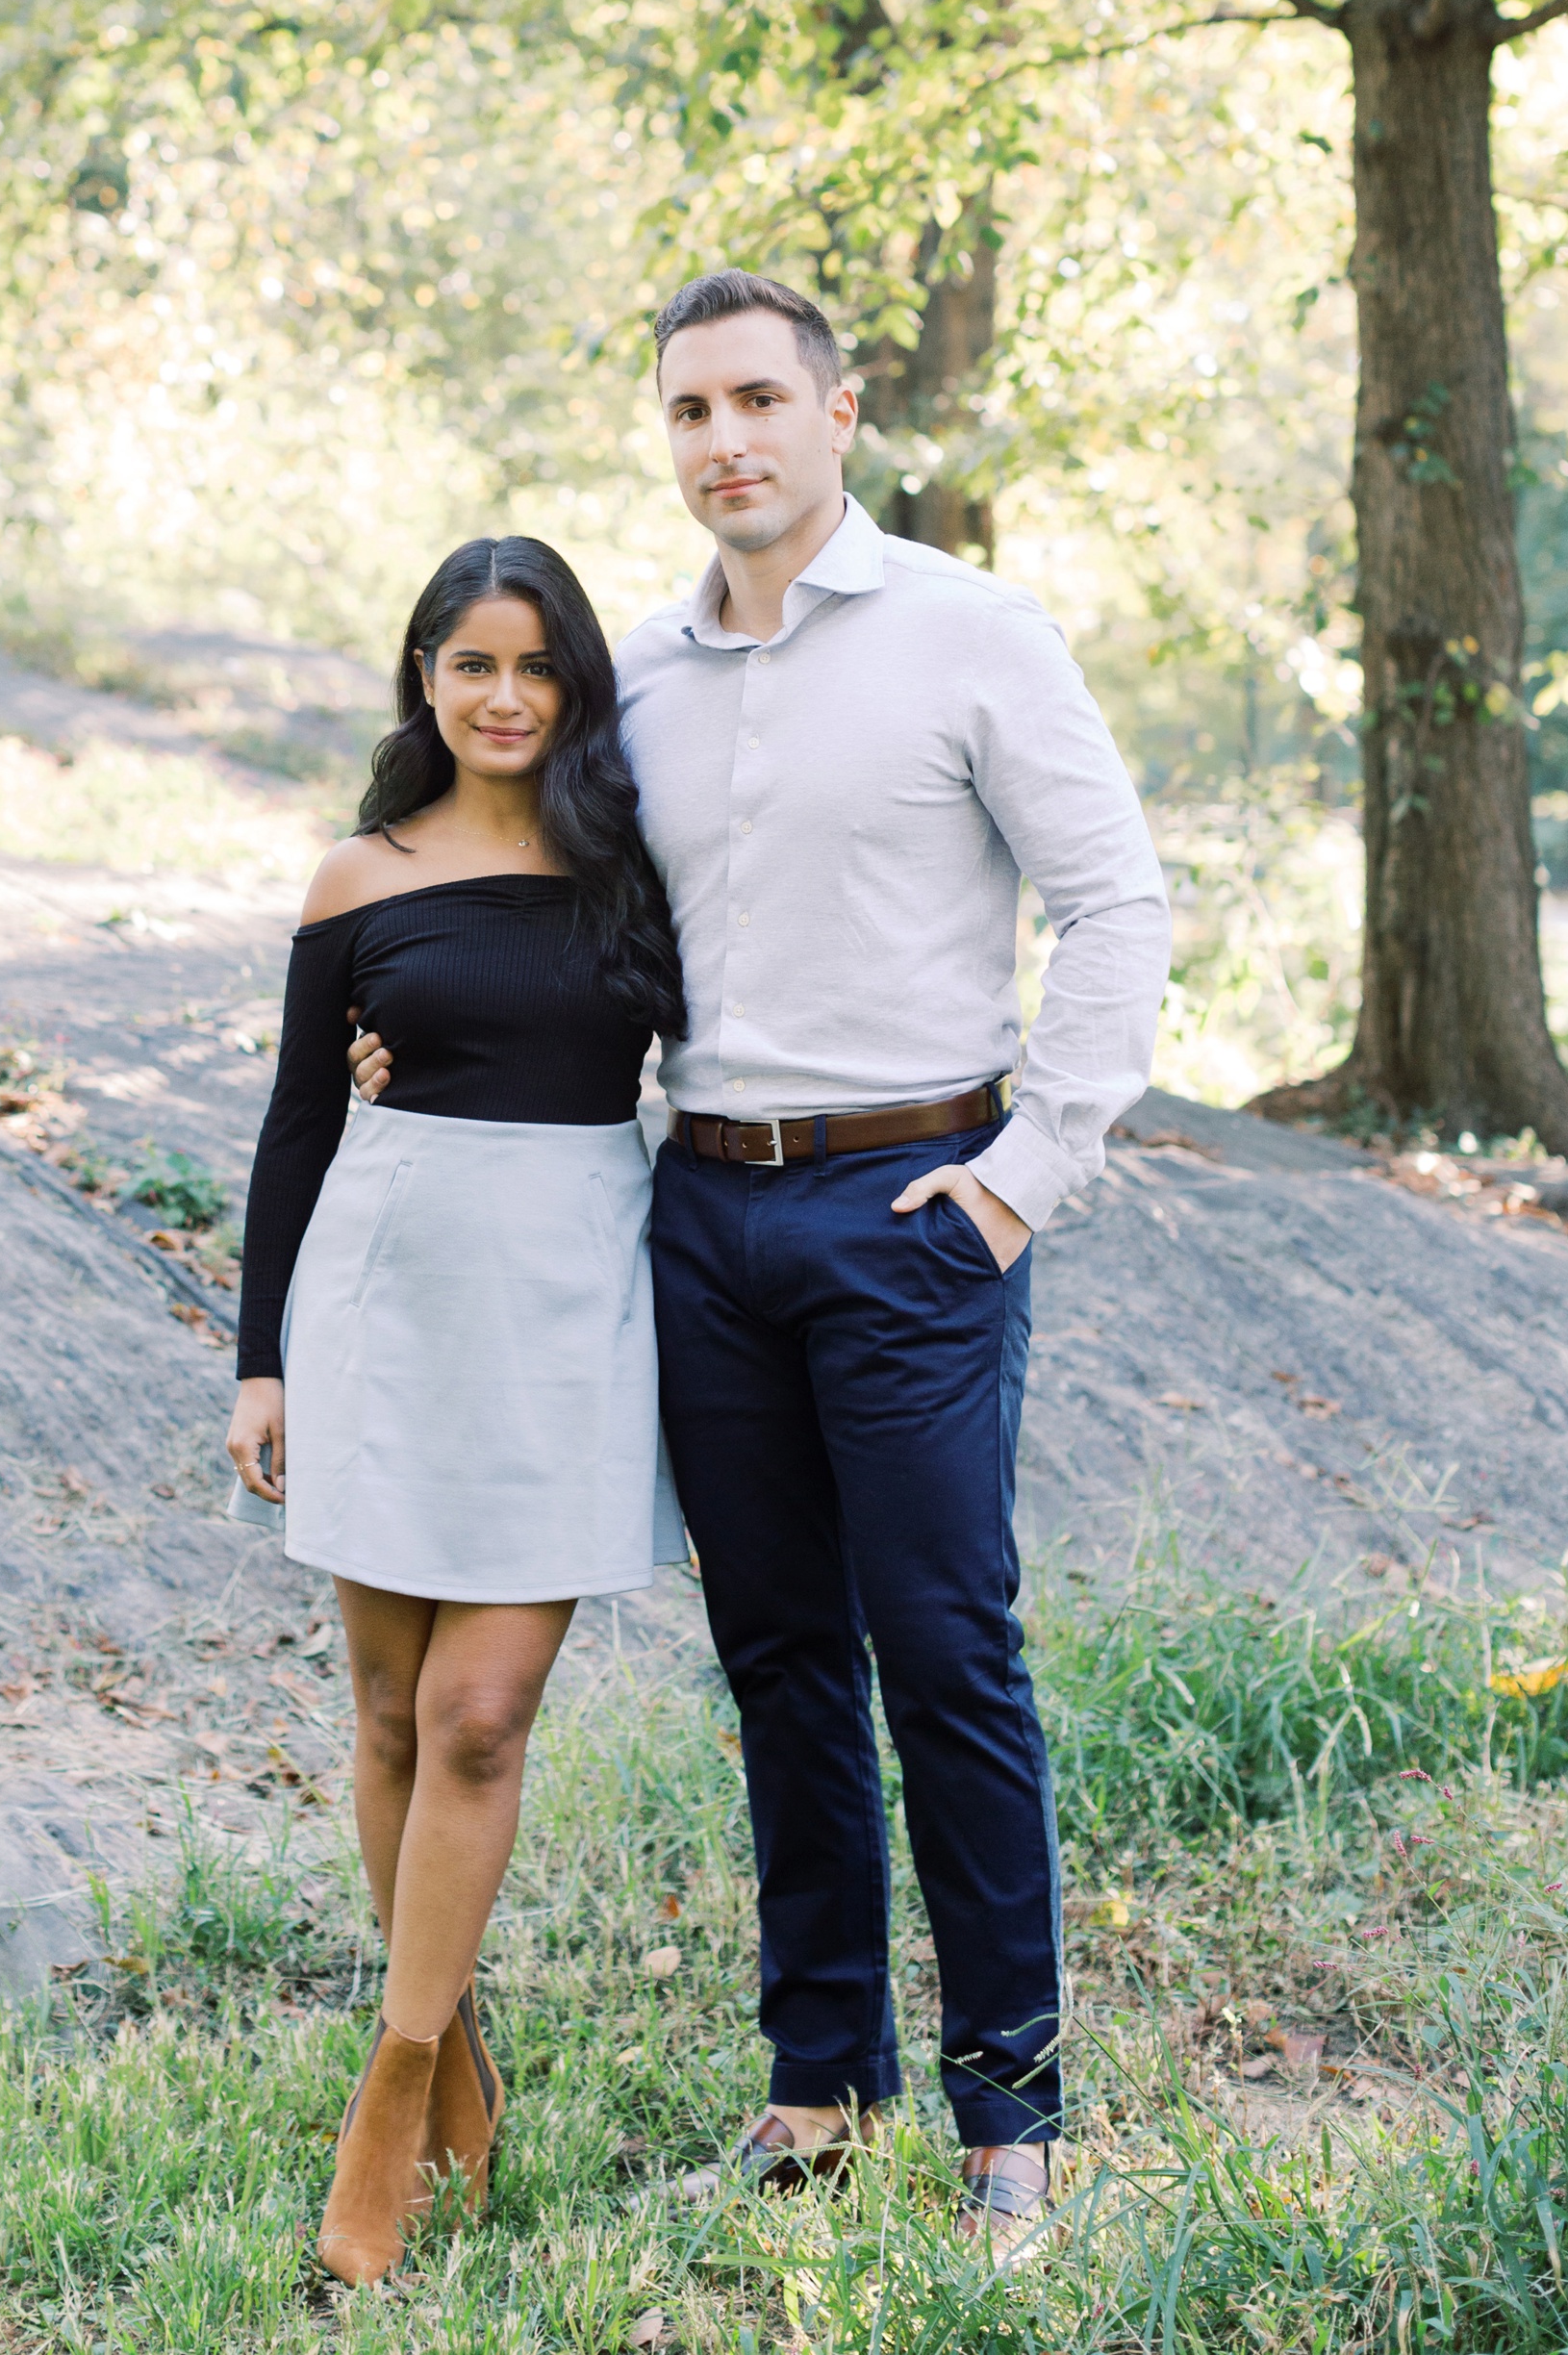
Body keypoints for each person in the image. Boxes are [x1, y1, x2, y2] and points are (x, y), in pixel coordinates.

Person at [351, 269, 1169, 2260]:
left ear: (835, 412)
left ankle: (1011, 2119)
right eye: (688, 413)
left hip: (911, 1212)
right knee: (779, 1663)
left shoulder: (970, 637)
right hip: (698, 1215)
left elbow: (1116, 904)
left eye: (753, 401)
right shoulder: (635, 682)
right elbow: (554, 931)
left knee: (945, 1655)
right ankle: (820, 2084)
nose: (722, 441)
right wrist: (406, 1030)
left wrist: (1020, 1178)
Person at [226, 534, 688, 2290]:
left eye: (533, 665)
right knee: (392, 1709)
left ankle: (396, 2085)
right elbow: (294, 1124)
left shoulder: (633, 861)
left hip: (573, 1299)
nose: (502, 696)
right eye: (467, 664)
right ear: (423, 679)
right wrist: (262, 1355)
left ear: (573, 680)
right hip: (386, 1297)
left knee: (481, 1711)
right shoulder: (361, 872)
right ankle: (458, 2035)